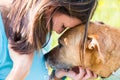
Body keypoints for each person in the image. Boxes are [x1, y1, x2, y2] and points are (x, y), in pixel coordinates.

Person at [0, 0, 98, 80]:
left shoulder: (41, 28)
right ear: (50, 7)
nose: (59, 32)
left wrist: (57, 76)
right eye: (63, 26)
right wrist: (20, 70)